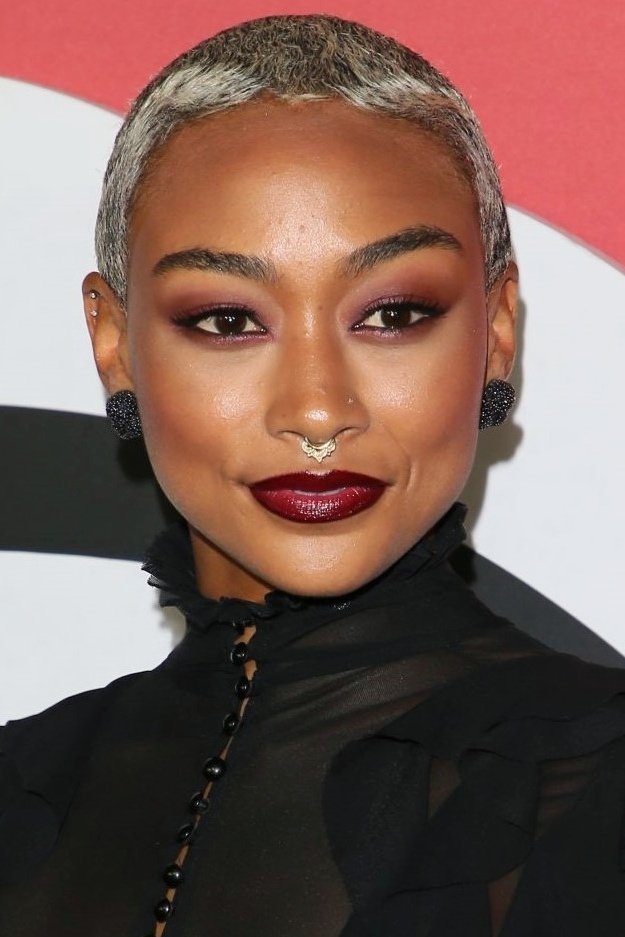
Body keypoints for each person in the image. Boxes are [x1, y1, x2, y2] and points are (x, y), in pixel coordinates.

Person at [2, 13, 625, 937]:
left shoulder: (599, 788)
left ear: (497, 330)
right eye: (227, 321)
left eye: (392, 313)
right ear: (114, 344)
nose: (318, 409)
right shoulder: (23, 784)